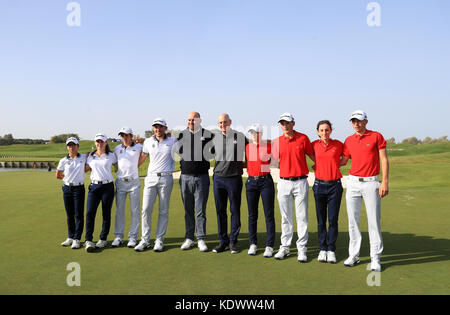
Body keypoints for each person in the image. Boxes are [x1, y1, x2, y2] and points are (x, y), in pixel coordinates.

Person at [341, 110, 389, 272]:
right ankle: (353, 255)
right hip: (352, 182)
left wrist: (385, 182)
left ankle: (375, 258)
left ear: (366, 121)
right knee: (353, 222)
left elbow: (383, 159)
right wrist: (323, 160)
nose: (356, 124)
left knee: (373, 222)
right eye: (353, 121)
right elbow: (343, 161)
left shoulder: (376, 136)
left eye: (359, 121)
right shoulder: (348, 140)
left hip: (371, 183)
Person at [271, 113, 314, 262]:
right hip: (283, 182)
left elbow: (314, 156)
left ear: (293, 123)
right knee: (285, 217)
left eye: (287, 123)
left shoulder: (303, 138)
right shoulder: (276, 142)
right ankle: (285, 247)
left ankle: (302, 249)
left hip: (301, 182)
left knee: (302, 217)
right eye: (282, 123)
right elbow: (273, 162)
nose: (285, 126)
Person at [134, 118, 178, 252]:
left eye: (160, 127)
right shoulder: (148, 142)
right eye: (155, 127)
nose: (157, 129)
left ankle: (159, 240)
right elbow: (142, 158)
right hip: (151, 178)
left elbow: (183, 153)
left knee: (163, 210)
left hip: (166, 178)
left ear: (165, 128)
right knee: (146, 209)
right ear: (153, 128)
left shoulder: (173, 141)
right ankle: (145, 240)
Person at [176, 112, 213, 252]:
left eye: (194, 120)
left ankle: (201, 239)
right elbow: (180, 152)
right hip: (185, 177)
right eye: (189, 120)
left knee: (200, 211)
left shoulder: (208, 134)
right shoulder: (181, 135)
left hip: (202, 177)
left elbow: (213, 152)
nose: (191, 122)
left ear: (200, 120)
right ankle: (189, 238)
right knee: (188, 210)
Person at [211, 113, 248, 254]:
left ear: (230, 122)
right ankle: (223, 242)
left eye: (225, 122)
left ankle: (233, 241)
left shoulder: (240, 137)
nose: (223, 125)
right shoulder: (215, 138)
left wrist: (243, 165)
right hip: (218, 178)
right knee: (220, 211)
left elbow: (250, 153)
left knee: (234, 210)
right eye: (220, 123)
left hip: (234, 179)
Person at [311, 120, 344, 263]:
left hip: (335, 186)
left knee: (332, 220)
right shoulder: (313, 145)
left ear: (331, 131)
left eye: (327, 130)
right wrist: (317, 164)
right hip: (319, 186)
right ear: (318, 132)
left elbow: (344, 160)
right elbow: (312, 158)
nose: (325, 133)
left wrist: (333, 165)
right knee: (320, 220)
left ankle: (331, 249)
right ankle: (322, 248)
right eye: (322, 130)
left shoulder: (338, 144)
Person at [245, 123, 276, 257]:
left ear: (261, 133)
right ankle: (253, 243)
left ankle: (269, 245)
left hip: (265, 182)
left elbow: (274, 161)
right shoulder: (247, 147)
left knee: (268, 214)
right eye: (252, 133)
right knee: (252, 215)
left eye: (256, 133)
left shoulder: (269, 145)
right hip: (251, 182)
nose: (254, 135)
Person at [84, 133, 117, 253]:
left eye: (102, 141)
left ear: (106, 143)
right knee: (89, 213)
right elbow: (85, 169)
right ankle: (88, 240)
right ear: (95, 143)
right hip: (94, 187)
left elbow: (119, 167)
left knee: (106, 213)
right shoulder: (90, 156)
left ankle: (103, 239)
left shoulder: (112, 155)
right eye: (97, 141)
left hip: (107, 186)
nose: (99, 143)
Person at [111, 127, 143, 249]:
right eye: (122, 136)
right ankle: (118, 236)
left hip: (134, 182)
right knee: (119, 211)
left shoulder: (139, 147)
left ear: (131, 136)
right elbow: (114, 162)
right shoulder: (117, 148)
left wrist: (137, 165)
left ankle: (133, 237)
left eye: (126, 135)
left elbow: (147, 152)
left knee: (135, 211)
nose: (124, 138)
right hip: (120, 182)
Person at [56, 137, 86, 249]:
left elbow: (90, 163)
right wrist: (67, 178)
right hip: (67, 189)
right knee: (69, 215)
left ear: (78, 146)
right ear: (67, 147)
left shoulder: (84, 157)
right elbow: (58, 175)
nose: (71, 147)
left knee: (78, 214)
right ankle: (71, 237)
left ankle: (77, 239)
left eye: (74, 145)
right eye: (69, 145)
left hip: (79, 189)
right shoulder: (63, 160)